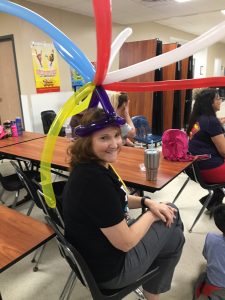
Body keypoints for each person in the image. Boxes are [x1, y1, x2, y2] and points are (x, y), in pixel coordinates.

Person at [63, 108, 185, 300]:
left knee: (172, 231)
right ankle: (152, 295)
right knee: (173, 219)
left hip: (96, 256)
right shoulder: (94, 182)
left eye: (117, 135)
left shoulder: (91, 168)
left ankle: (153, 290)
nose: (115, 144)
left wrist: (147, 202)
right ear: (87, 142)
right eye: (104, 138)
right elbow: (126, 243)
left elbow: (120, 198)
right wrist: (151, 214)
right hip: (111, 272)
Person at [187, 88, 225, 210]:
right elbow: (224, 152)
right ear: (210, 102)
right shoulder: (211, 121)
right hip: (210, 171)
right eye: (218, 98)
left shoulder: (198, 118)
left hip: (195, 169)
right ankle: (216, 203)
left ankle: (214, 201)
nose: (221, 101)